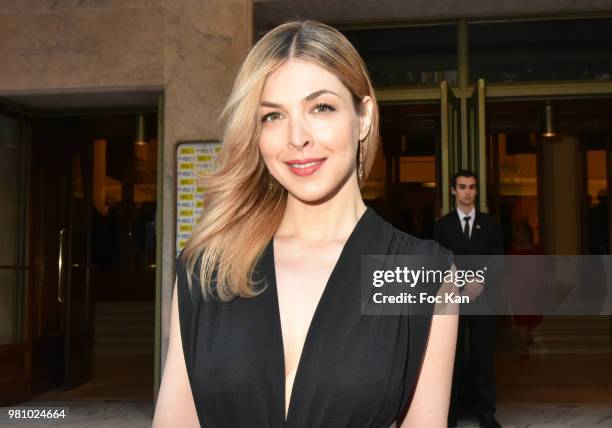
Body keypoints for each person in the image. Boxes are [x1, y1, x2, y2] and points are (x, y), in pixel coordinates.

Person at [153, 20, 458, 428]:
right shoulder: (207, 269)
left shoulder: (423, 273)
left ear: (363, 117)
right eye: (273, 116)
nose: (297, 137)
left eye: (321, 108)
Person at [433, 170, 503, 428]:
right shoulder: (442, 226)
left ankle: (486, 415)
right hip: (453, 301)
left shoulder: (491, 224)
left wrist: (478, 282)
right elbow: (438, 263)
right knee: (453, 360)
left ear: (476, 191)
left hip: (483, 300)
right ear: (453, 190)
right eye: (462, 187)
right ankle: (449, 416)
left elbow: (496, 260)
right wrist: (457, 290)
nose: (467, 192)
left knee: (483, 360)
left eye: (472, 187)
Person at [507, 218, 545, 359]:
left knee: (535, 317)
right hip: (518, 289)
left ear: (528, 235)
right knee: (521, 319)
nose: (520, 236)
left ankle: (528, 333)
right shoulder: (512, 250)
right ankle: (524, 349)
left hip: (534, 288)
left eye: (523, 233)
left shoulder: (537, 249)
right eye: (518, 233)